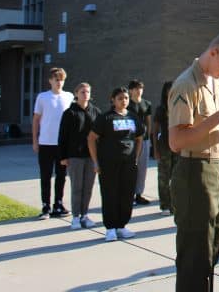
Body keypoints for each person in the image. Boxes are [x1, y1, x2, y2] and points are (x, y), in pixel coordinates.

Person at [168, 24, 219, 291]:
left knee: (210, 253)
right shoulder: (186, 84)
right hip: (194, 173)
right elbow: (176, 141)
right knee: (194, 256)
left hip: (218, 172)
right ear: (214, 52)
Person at [88, 86, 144, 242]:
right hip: (108, 164)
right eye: (120, 98)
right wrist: (95, 161)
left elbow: (139, 138)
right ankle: (110, 228)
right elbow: (91, 138)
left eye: (126, 98)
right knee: (110, 194)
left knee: (126, 194)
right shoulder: (106, 118)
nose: (124, 101)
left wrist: (136, 157)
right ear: (113, 100)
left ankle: (121, 226)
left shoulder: (133, 117)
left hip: (129, 164)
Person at [32, 67, 75, 219]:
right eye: (56, 79)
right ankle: (46, 206)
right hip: (45, 143)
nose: (59, 82)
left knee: (61, 175)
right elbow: (36, 120)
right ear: (50, 80)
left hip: (62, 145)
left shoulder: (69, 97)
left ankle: (58, 204)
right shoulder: (43, 97)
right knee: (45, 175)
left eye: (61, 80)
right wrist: (35, 141)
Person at [58, 82, 102, 229]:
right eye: (82, 92)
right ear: (76, 94)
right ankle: (76, 216)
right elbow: (63, 136)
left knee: (88, 187)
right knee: (77, 186)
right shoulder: (69, 113)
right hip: (75, 155)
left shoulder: (95, 112)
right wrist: (63, 157)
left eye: (88, 92)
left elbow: (101, 134)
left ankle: (85, 215)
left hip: (91, 155)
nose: (85, 94)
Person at [153, 81, 177, 216]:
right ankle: (165, 205)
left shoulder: (179, 105)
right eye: (169, 89)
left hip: (178, 147)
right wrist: (155, 150)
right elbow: (155, 130)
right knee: (163, 177)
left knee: (177, 177)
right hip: (164, 147)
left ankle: (175, 204)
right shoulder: (161, 109)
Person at [128, 79, 153, 205]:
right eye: (136, 88)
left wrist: (148, 135)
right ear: (131, 90)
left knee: (142, 168)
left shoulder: (146, 104)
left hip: (144, 140)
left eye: (141, 88)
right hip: (130, 140)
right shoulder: (127, 104)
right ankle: (129, 194)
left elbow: (148, 121)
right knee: (131, 166)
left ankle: (139, 194)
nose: (139, 91)